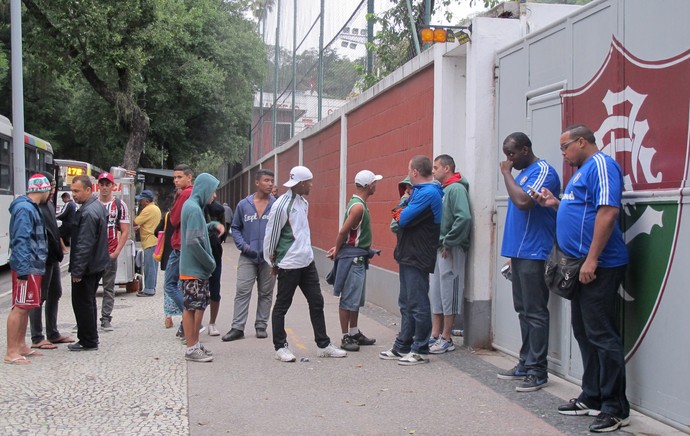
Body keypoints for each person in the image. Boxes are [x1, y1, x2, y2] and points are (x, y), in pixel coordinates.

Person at [533, 125, 630, 432]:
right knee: (584, 332)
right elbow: (582, 210)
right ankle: (593, 395)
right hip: (578, 266)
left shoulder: (601, 165)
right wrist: (554, 203)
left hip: (598, 266)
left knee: (602, 334)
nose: (562, 154)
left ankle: (615, 407)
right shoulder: (583, 171)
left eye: (565, 147)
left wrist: (592, 259)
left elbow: (607, 212)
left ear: (582, 142)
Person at [497, 132, 560, 392]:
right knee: (523, 310)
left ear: (525, 149)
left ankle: (538, 370)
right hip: (519, 253)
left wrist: (506, 175)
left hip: (536, 252)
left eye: (511, 154)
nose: (508, 160)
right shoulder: (522, 174)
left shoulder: (543, 171)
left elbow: (523, 202)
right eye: (506, 156)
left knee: (535, 312)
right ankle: (525, 361)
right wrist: (512, 256)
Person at [263, 165, 347, 362]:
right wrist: (272, 261)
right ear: (301, 183)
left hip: (306, 262)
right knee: (282, 305)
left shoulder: (303, 202)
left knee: (317, 302)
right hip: (289, 264)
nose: (311, 185)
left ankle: (323, 345)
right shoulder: (282, 205)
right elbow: (271, 235)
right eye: (309, 181)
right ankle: (280, 347)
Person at [380, 156, 443, 365]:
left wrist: (400, 209)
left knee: (418, 303)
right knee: (406, 302)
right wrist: (402, 208)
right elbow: (399, 218)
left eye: (409, 169)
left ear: (415, 172)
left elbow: (402, 219)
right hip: (409, 254)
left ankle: (420, 349)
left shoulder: (428, 193)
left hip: (418, 255)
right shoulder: (419, 193)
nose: (408, 173)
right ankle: (403, 345)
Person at [326, 170, 381, 352]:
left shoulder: (359, 204)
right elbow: (343, 231)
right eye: (374, 182)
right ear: (368, 186)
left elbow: (349, 234)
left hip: (357, 256)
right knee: (349, 299)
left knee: (355, 299)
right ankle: (345, 336)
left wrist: (339, 247)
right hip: (353, 259)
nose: (376, 185)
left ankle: (354, 331)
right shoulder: (358, 207)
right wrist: (339, 249)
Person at [222, 169, 276, 342]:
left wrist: (276, 252)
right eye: (266, 180)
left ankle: (261, 325)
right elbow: (235, 228)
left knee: (266, 292)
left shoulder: (276, 204)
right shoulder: (244, 204)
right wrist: (244, 247)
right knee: (243, 290)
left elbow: (282, 229)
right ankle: (237, 327)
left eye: (272, 181)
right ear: (257, 182)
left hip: (269, 258)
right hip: (247, 256)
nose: (270, 184)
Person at [4, 174, 51, 364]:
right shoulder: (25, 209)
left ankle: (21, 345)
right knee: (21, 307)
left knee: (27, 305)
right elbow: (21, 239)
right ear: (43, 189)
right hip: (28, 265)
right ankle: (11, 351)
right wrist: (23, 269)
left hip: (32, 265)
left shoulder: (29, 207)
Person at [428, 155, 472, 354]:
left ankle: (447, 337)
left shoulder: (456, 189)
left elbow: (463, 218)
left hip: (450, 249)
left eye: (436, 167)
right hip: (438, 248)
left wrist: (449, 241)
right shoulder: (442, 190)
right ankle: (435, 333)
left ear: (447, 168)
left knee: (449, 289)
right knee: (436, 291)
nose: (433, 171)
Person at [29, 172, 74, 350]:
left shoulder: (48, 204)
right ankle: (37, 336)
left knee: (55, 293)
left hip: (53, 257)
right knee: (40, 297)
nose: (53, 191)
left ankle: (53, 332)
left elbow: (54, 229)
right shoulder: (35, 207)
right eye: (52, 188)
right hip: (42, 258)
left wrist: (61, 248)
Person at [179, 173, 220, 362]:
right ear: (205, 190)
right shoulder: (194, 209)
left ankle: (194, 344)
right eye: (213, 191)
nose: (214, 196)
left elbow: (197, 230)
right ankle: (191, 347)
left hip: (195, 269)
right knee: (192, 308)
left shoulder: (193, 207)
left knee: (196, 306)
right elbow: (194, 241)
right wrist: (210, 263)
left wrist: (212, 226)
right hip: (194, 270)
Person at [68, 175, 109, 351]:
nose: (73, 195)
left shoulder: (88, 212)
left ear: (88, 190)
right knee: (88, 302)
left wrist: (77, 271)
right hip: (96, 263)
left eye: (76, 191)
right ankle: (90, 337)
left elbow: (84, 245)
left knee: (82, 303)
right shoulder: (95, 207)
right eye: (72, 191)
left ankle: (88, 339)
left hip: (88, 266)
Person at [96, 172, 130, 331]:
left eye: (107, 184)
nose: (104, 187)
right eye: (101, 184)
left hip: (110, 251)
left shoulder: (119, 205)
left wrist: (116, 252)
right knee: (89, 287)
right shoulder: (92, 203)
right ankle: (87, 318)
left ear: (112, 186)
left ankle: (106, 318)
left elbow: (125, 230)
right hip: (93, 254)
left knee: (109, 287)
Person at [165, 164, 194, 338]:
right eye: (174, 177)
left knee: (170, 284)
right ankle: (187, 321)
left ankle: (189, 316)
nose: (176, 180)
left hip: (180, 245)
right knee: (184, 285)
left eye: (179, 177)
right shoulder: (192, 193)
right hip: (185, 244)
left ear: (189, 177)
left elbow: (174, 219)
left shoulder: (184, 194)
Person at [134, 190, 162, 297]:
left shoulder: (148, 209)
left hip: (150, 241)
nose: (140, 202)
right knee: (153, 266)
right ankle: (151, 287)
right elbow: (150, 223)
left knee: (149, 266)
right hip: (155, 241)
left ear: (146, 201)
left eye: (141, 200)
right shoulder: (156, 208)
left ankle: (149, 289)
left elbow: (135, 221)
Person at [204, 199, 226, 336]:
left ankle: (212, 323)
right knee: (197, 292)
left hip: (215, 255)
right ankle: (193, 323)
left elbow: (223, 232)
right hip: (199, 255)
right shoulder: (195, 207)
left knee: (215, 290)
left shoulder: (218, 209)